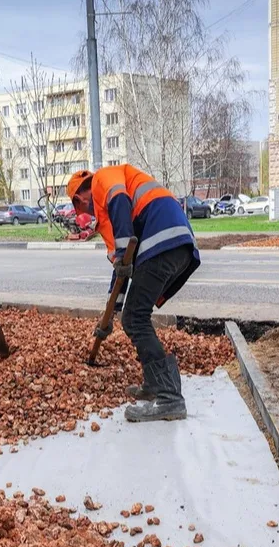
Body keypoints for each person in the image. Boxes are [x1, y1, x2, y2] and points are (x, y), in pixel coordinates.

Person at [67, 166, 200, 422]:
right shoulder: (112, 220)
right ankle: (154, 385)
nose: (86, 214)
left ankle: (170, 398)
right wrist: (109, 313)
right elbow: (121, 268)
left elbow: (119, 203)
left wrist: (124, 247)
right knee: (132, 314)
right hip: (176, 243)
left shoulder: (104, 181)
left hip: (163, 239)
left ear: (80, 197)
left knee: (135, 318)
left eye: (81, 209)